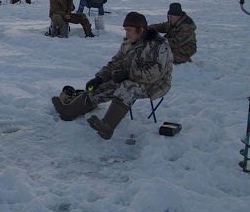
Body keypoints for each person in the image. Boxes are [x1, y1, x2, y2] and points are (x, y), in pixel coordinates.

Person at [51, 12, 173, 140]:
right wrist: (99, 78)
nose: (126, 34)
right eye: (125, 30)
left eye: (129, 30)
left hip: (156, 84)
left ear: (141, 30)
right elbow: (116, 62)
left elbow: (155, 73)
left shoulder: (158, 45)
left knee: (127, 86)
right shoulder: (129, 42)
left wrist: (127, 74)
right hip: (134, 77)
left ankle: (108, 126)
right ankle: (69, 111)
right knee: (106, 85)